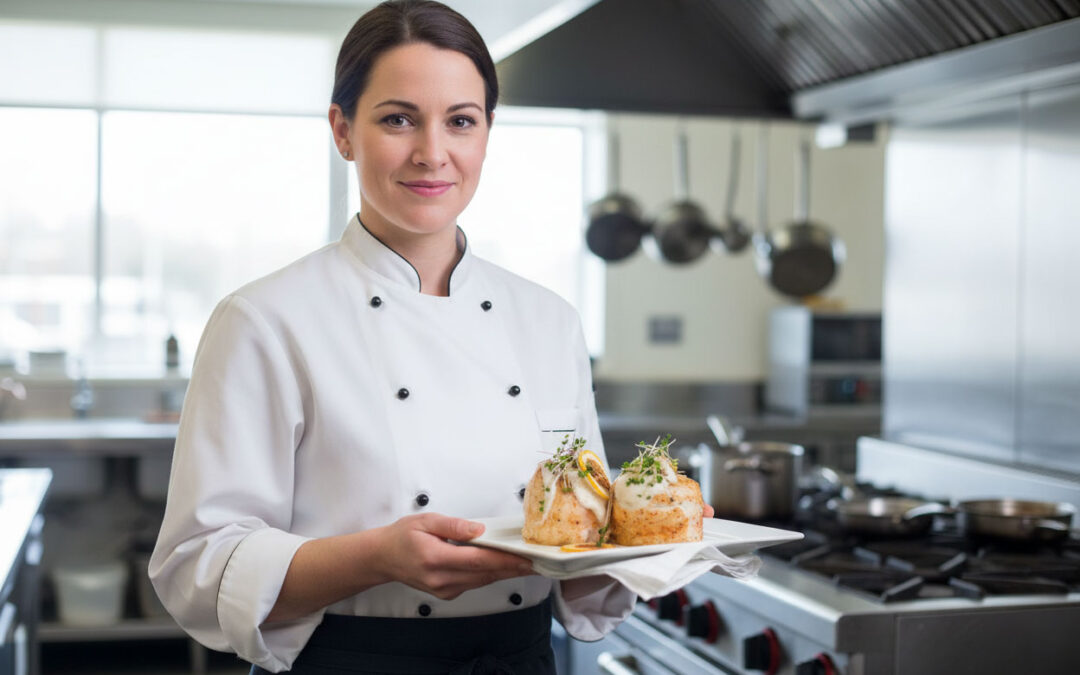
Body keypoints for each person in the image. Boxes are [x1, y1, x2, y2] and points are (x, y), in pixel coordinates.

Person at [149, 1, 641, 672]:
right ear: (343, 130)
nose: (432, 153)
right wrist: (375, 556)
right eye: (398, 119)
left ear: (487, 134)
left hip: (520, 658)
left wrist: (650, 548)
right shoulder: (266, 319)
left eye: (460, 121)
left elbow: (583, 526)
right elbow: (196, 565)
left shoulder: (550, 320)